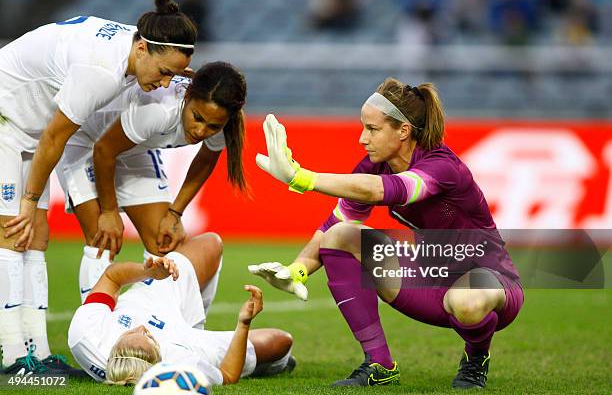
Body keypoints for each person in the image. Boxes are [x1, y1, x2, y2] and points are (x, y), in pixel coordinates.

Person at [250, 79, 524, 389]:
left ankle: (476, 360)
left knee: (467, 300)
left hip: (490, 281)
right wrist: (297, 270)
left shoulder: (442, 166)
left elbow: (387, 190)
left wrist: (301, 178)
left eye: (372, 129)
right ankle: (378, 363)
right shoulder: (373, 165)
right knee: (341, 235)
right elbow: (333, 226)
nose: (362, 138)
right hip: (431, 278)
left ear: (403, 131)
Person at [0, 0, 196, 375]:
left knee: (37, 237)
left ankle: (35, 354)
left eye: (175, 74)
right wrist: (28, 198)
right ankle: (10, 355)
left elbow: (48, 137)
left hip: (28, 128)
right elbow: (56, 139)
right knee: (12, 233)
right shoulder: (101, 72)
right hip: (6, 119)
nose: (165, 82)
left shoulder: (140, 46)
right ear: (141, 48)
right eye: (164, 72)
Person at [54, 61, 247, 303]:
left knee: (164, 243)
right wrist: (109, 211)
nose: (201, 130)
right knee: (102, 239)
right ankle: (96, 329)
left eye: (213, 126)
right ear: (188, 96)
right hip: (85, 138)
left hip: (131, 146)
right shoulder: (160, 108)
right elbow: (104, 151)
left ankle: (160, 326)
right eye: (197, 118)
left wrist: (175, 213)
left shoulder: (222, 122)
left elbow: (205, 161)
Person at [69, 234, 295, 385]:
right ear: (158, 363)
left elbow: (111, 276)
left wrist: (149, 272)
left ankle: (196, 312)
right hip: (188, 341)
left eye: (129, 332)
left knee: (211, 243)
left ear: (114, 348)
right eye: (146, 336)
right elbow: (227, 375)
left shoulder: (85, 334)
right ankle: (277, 365)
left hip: (152, 297)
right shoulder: (181, 363)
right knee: (281, 341)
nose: (140, 327)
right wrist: (243, 323)